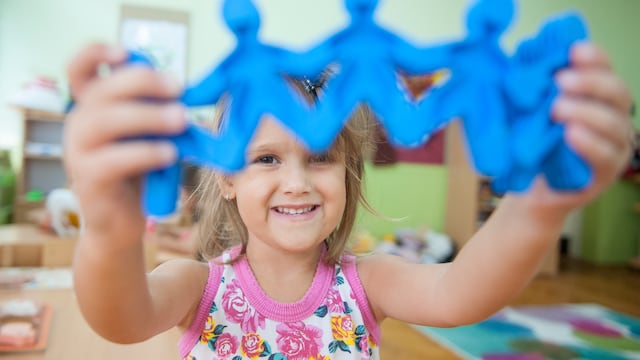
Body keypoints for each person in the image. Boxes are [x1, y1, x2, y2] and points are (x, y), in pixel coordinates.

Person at [63, 41, 634, 359]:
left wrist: (539, 208)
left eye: (319, 157)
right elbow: (120, 319)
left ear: (349, 171)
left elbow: (462, 294)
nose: (297, 182)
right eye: (267, 159)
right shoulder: (195, 286)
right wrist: (109, 228)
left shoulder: (367, 284)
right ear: (227, 178)